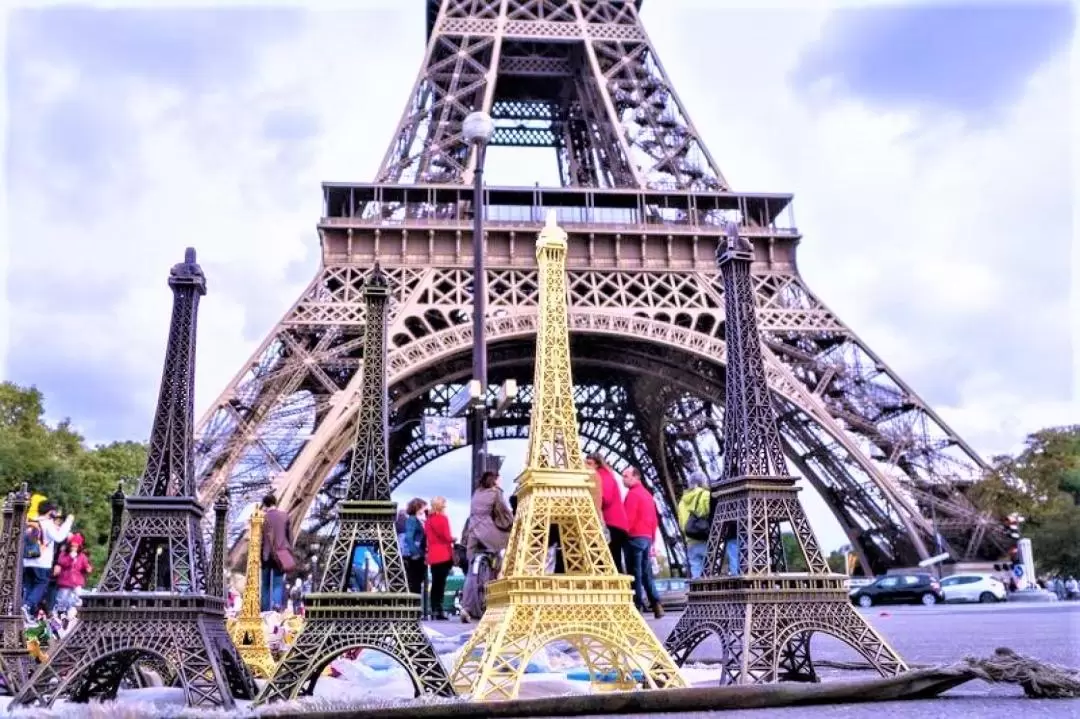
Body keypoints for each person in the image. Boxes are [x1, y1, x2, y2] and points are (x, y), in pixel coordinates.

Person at [460, 470, 512, 622]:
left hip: (472, 533)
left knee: (471, 572)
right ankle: (497, 595)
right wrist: (510, 523)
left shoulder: (477, 492)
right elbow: (503, 513)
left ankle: (467, 607)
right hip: (487, 531)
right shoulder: (496, 493)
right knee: (505, 548)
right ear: (495, 480)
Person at [621, 467, 664, 619]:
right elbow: (654, 521)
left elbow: (628, 519)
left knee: (634, 574)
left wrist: (622, 535)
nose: (623, 479)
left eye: (626, 476)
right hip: (646, 538)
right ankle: (656, 604)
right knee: (647, 573)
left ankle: (637, 606)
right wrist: (652, 541)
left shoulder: (632, 495)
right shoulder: (647, 495)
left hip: (633, 538)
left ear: (635, 477)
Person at [23, 500, 74, 616]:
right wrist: (68, 521)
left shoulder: (31, 521)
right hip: (42, 561)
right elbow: (59, 537)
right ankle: (27, 606)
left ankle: (27, 612)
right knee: (41, 583)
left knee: (29, 586)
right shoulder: (47, 523)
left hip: (27, 560)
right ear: (50, 512)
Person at [586, 454, 630, 573]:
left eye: (589, 464)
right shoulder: (606, 475)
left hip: (612, 524)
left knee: (611, 561)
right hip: (616, 524)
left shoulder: (602, 475)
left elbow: (605, 498)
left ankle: (618, 589)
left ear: (597, 464)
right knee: (612, 561)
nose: (586, 467)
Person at [260, 494, 296, 612]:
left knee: (265, 585)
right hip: (281, 554)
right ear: (275, 502)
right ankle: (275, 608)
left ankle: (265, 610)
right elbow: (289, 537)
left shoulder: (262, 518)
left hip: (265, 555)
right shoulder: (284, 516)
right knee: (277, 584)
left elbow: (259, 539)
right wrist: (289, 551)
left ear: (265, 505)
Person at [424, 496, 455, 621]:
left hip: (433, 555)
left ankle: (434, 609)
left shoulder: (428, 520)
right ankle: (439, 610)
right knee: (441, 584)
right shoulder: (443, 519)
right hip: (444, 554)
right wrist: (454, 539)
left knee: (435, 584)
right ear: (441, 506)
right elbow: (447, 537)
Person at [677, 473, 712, 579]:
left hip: (690, 541)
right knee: (711, 572)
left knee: (696, 570)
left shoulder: (682, 502)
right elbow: (711, 513)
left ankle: (699, 594)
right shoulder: (706, 495)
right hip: (705, 539)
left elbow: (682, 524)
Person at [54, 533, 92, 615]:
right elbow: (62, 563)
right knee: (63, 597)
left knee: (78, 596)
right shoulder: (64, 554)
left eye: (76, 546)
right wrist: (71, 558)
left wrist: (88, 568)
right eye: (72, 546)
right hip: (65, 580)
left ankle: (73, 610)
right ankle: (60, 611)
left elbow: (85, 565)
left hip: (77, 580)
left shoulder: (82, 556)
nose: (73, 548)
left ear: (79, 547)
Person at [402, 497, 429, 596]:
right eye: (424, 509)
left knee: (415, 584)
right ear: (418, 508)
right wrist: (416, 553)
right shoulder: (413, 520)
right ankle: (415, 608)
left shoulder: (417, 520)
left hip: (417, 557)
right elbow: (409, 537)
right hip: (414, 557)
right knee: (415, 585)